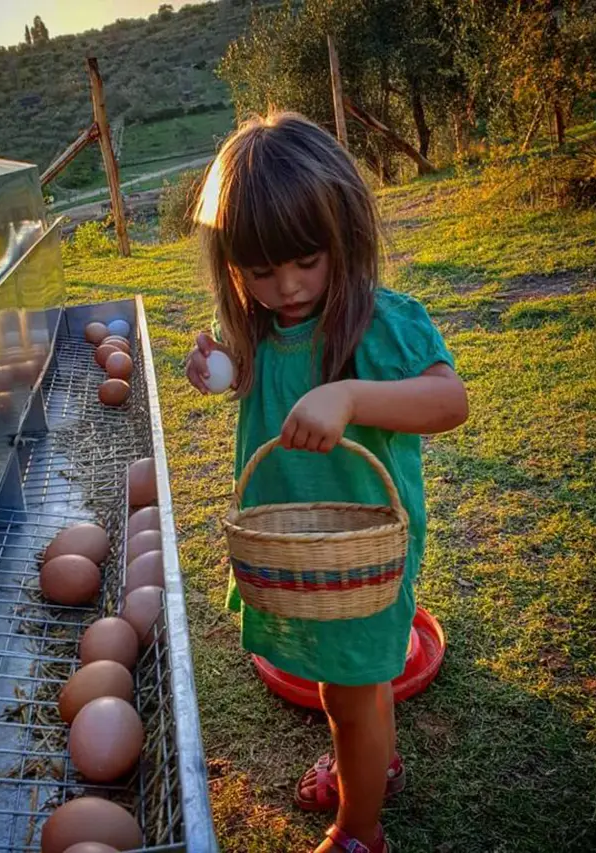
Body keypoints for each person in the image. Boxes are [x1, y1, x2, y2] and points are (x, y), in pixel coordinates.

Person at [186, 112, 468, 853]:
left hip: (363, 558)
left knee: (348, 691)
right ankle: (376, 758)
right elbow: (257, 377)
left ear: (344, 232)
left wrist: (351, 396)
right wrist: (219, 367)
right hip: (295, 554)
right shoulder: (259, 325)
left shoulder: (378, 323)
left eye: (306, 261)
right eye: (259, 270)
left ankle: (359, 828)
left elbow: (449, 400)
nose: (285, 288)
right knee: (351, 682)